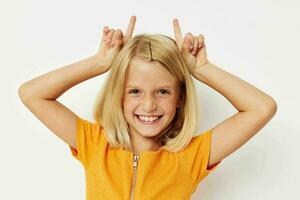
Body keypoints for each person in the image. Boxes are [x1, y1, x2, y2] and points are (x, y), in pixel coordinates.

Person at [18, 15, 277, 200]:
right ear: (119, 96)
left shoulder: (191, 156)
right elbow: (32, 94)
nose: (149, 105)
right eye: (134, 91)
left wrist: (202, 69)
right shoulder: (95, 144)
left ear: (180, 99)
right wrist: (99, 63)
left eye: (163, 91)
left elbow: (262, 108)